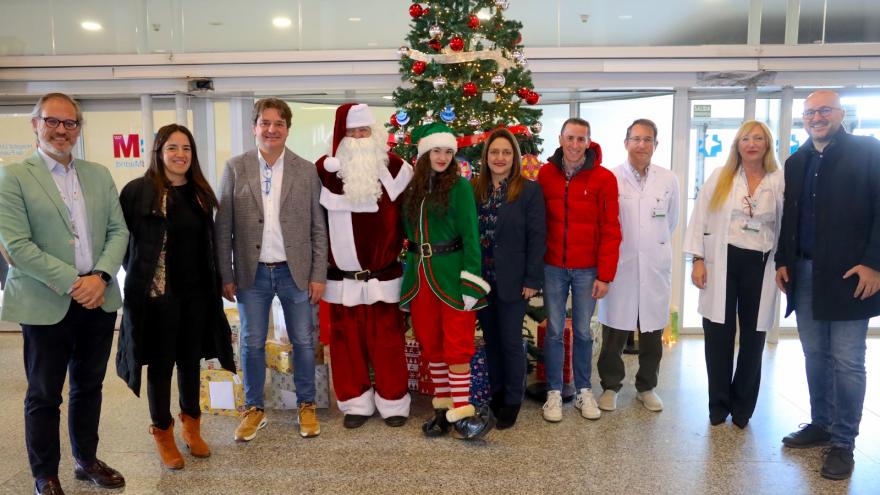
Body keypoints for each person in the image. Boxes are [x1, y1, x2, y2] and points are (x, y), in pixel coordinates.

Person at [0, 93, 129, 495]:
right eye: (52, 121)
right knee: (44, 393)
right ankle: (45, 474)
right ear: (35, 124)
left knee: (89, 386)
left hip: (98, 299)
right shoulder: (14, 176)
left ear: (78, 128)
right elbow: (17, 247)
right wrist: (78, 281)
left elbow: (118, 231)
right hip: (46, 301)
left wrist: (102, 276)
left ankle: (85, 460)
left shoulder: (98, 174)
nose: (61, 130)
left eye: (69, 123)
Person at [117, 124, 236, 469]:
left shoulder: (200, 193)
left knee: (190, 361)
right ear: (158, 152)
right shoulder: (139, 192)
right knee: (161, 364)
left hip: (198, 294)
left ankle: (192, 426)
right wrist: (143, 280)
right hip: (158, 297)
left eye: (186, 148)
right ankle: (162, 432)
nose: (180, 154)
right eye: (172, 147)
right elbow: (124, 243)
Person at [775, 90, 880, 480]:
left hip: (852, 275)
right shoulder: (797, 160)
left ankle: (843, 442)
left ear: (840, 114)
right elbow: (791, 215)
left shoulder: (869, 151)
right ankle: (821, 423)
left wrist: (874, 264)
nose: (817, 117)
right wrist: (783, 260)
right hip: (804, 273)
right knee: (815, 355)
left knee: (849, 360)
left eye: (824, 110)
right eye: (810, 112)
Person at [215, 98, 328, 440]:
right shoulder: (236, 167)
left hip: (296, 271)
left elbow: (317, 227)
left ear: (287, 129)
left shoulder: (306, 170)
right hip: (253, 273)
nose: (271, 129)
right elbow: (224, 229)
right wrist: (227, 274)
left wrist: (318, 275)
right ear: (255, 127)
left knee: (304, 341)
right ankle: (254, 408)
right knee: (250, 342)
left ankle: (306, 405)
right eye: (265, 122)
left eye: (279, 123)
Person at [315, 103, 413, 428]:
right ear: (342, 136)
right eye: (353, 131)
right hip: (340, 281)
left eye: (364, 130)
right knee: (346, 346)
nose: (359, 136)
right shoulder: (324, 172)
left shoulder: (397, 170)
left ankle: (394, 401)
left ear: (374, 133)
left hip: (384, 277)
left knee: (387, 343)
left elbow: (412, 219)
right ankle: (356, 403)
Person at [683, 120, 784, 430]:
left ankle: (742, 409)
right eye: (744, 139)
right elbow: (699, 217)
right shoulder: (721, 177)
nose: (751, 144)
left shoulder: (779, 181)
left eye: (757, 138)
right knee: (718, 335)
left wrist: (784, 264)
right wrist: (698, 259)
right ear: (737, 145)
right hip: (721, 261)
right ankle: (718, 405)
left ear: (767, 144)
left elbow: (786, 225)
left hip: (761, 264)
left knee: (754, 337)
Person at [399, 122, 494, 440]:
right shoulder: (413, 189)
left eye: (448, 151)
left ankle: (463, 412)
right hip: (421, 278)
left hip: (452, 277)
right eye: (437, 150)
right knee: (431, 344)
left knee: (456, 346)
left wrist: (471, 281)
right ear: (425, 152)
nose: (442, 157)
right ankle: (442, 409)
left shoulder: (461, 187)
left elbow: (471, 235)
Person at [537, 117, 621, 423]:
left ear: (589, 142)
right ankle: (554, 393)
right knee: (555, 332)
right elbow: (536, 224)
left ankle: (585, 390)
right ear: (560, 139)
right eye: (570, 138)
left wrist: (605, 274)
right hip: (553, 267)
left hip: (588, 270)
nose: (575, 145)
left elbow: (612, 229)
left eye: (581, 139)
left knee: (584, 332)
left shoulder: (604, 179)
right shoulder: (545, 175)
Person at [597, 119, 679, 413]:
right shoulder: (610, 177)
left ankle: (647, 387)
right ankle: (610, 386)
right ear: (626, 143)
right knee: (614, 332)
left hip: (654, 265)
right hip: (620, 264)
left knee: (652, 333)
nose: (641, 145)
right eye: (636, 139)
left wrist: (650, 248)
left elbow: (671, 221)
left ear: (656, 145)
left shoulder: (668, 179)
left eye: (648, 140)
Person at [471, 128, 545, 429]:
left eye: (505, 152)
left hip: (514, 280)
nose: (499, 158)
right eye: (494, 152)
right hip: (481, 280)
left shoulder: (528, 191)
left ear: (514, 157)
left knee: (511, 342)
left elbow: (537, 238)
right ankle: (497, 393)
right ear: (486, 157)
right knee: (491, 342)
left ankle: (513, 400)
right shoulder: (474, 189)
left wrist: (532, 279)